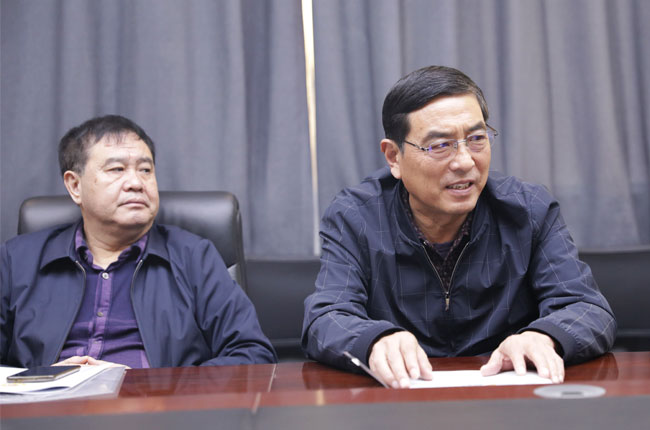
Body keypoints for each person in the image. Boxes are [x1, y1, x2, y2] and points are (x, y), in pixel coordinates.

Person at [302, 65, 615, 388]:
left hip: (507, 397)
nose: (465, 161)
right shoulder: (356, 217)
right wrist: (374, 339)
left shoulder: (528, 210)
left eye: (476, 139)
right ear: (394, 157)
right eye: (440, 145)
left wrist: (543, 336)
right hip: (399, 400)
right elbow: (325, 318)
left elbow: (587, 307)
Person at [1, 114, 276, 368]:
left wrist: (145, 385)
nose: (136, 182)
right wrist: (40, 381)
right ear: (75, 186)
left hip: (157, 405)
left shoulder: (194, 257)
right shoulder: (16, 261)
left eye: (145, 170)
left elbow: (253, 354)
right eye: (117, 169)